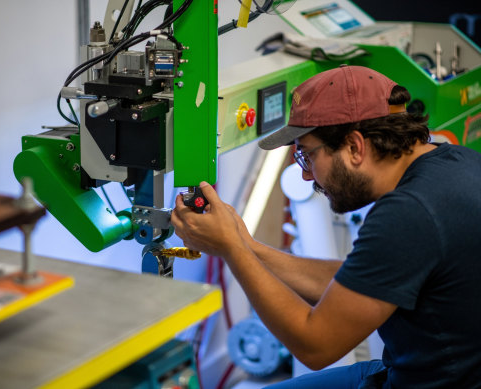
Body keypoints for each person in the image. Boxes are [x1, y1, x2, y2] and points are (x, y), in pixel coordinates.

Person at [171, 64, 481, 388]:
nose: (306, 175)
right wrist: (246, 244)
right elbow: (361, 280)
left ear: (354, 147)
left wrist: (232, 250)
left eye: (306, 155)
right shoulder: (453, 162)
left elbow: (316, 346)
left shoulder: (407, 214)